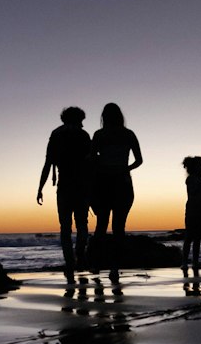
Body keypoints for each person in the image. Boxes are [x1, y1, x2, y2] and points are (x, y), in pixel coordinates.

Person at [37, 106, 92, 283]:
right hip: (82, 185)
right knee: (82, 224)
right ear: (77, 119)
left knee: (65, 227)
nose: (83, 124)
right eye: (81, 120)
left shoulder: (56, 134)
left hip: (64, 185)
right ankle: (80, 256)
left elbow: (48, 163)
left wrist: (40, 187)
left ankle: (70, 262)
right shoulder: (83, 136)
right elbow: (92, 162)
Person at [90, 103, 142, 281]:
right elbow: (139, 160)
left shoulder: (99, 135)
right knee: (119, 227)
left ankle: (96, 264)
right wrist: (124, 168)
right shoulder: (128, 134)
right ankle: (114, 267)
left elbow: (90, 159)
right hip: (123, 183)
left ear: (104, 116)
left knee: (101, 226)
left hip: (103, 183)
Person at [181, 156, 201, 274]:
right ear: (194, 168)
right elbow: (193, 191)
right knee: (189, 237)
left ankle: (195, 262)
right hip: (191, 211)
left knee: (197, 238)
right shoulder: (190, 179)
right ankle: (184, 262)